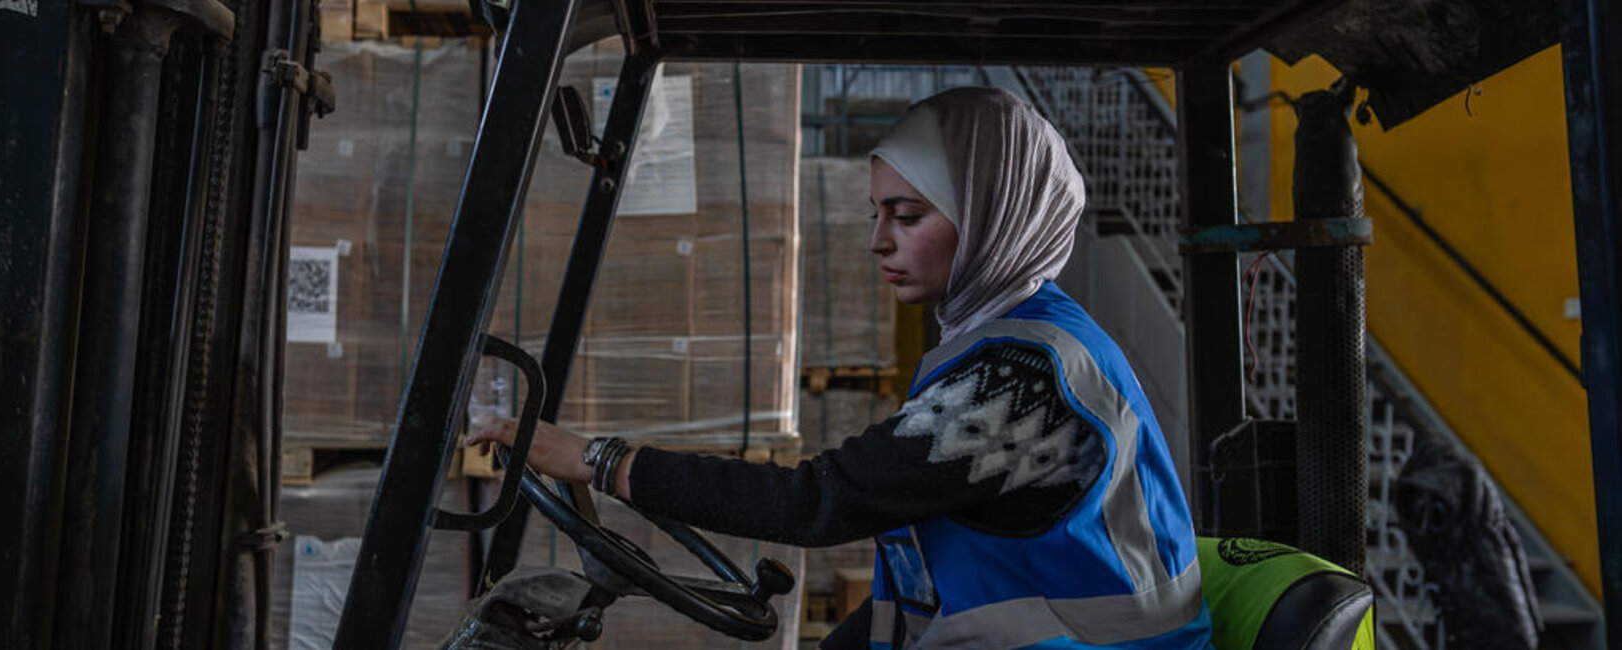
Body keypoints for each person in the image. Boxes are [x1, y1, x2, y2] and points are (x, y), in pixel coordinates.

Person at [466, 87, 1212, 649]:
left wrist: (597, 460)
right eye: (876, 214)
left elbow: (818, 503)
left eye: (907, 216)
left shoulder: (1023, 379)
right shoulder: (998, 343)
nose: (878, 241)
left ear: (992, 214)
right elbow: (924, 573)